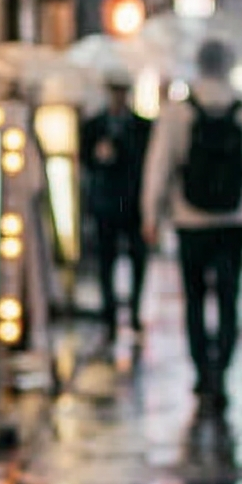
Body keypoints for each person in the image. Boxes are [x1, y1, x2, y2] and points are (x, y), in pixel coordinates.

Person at [141, 38, 242, 408]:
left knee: (195, 298)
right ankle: (222, 369)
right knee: (230, 298)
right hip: (234, 219)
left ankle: (203, 371)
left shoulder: (177, 111)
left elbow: (159, 167)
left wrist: (151, 215)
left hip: (190, 220)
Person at [80, 78, 149, 338]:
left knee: (137, 259)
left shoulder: (142, 127)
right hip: (106, 201)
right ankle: (108, 312)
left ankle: (134, 311)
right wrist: (98, 156)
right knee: (106, 260)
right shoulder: (95, 126)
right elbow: (85, 159)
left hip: (133, 203)